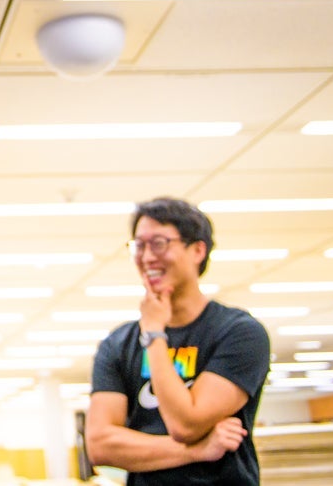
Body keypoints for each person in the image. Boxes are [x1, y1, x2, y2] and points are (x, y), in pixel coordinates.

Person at [85, 196, 270, 485]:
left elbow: (185, 424)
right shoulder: (118, 344)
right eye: (139, 245)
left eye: (159, 243)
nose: (147, 258)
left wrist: (155, 335)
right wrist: (198, 451)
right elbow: (100, 445)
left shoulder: (238, 332)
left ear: (197, 249)